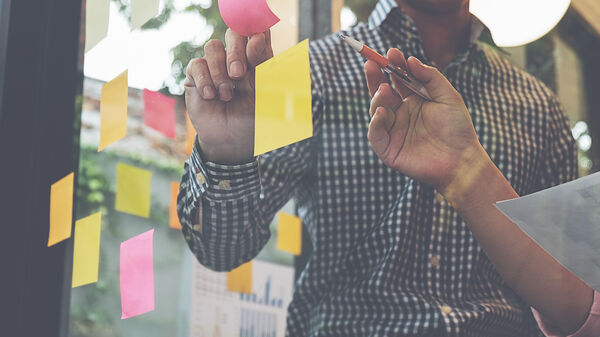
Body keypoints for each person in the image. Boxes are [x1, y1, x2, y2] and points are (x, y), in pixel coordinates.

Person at [179, 0, 588, 335]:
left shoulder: (537, 106)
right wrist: (225, 155)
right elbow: (221, 249)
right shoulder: (306, 72)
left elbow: (576, 290)